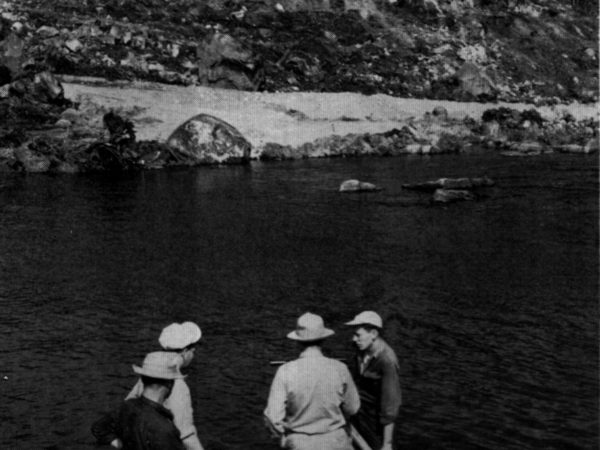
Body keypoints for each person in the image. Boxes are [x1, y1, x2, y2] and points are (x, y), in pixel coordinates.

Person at [264, 312, 360, 450]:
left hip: (300, 443)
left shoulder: (285, 371)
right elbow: (353, 408)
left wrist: (284, 438)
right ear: (323, 340)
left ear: (297, 342)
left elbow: (273, 418)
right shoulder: (340, 369)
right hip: (336, 442)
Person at [124, 322, 204, 450]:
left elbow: (127, 406)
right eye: (193, 351)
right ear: (185, 352)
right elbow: (186, 435)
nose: (193, 356)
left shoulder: (148, 376)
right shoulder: (177, 384)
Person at [91, 351, 186, 450]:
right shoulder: (164, 429)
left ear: (143, 379)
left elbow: (98, 428)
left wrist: (119, 444)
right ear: (169, 383)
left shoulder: (126, 406)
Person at [345, 311, 402, 450]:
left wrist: (387, 444)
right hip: (356, 415)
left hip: (374, 424)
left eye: (358, 335)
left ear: (374, 334)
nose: (354, 339)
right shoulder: (361, 349)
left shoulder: (387, 361)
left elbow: (390, 406)